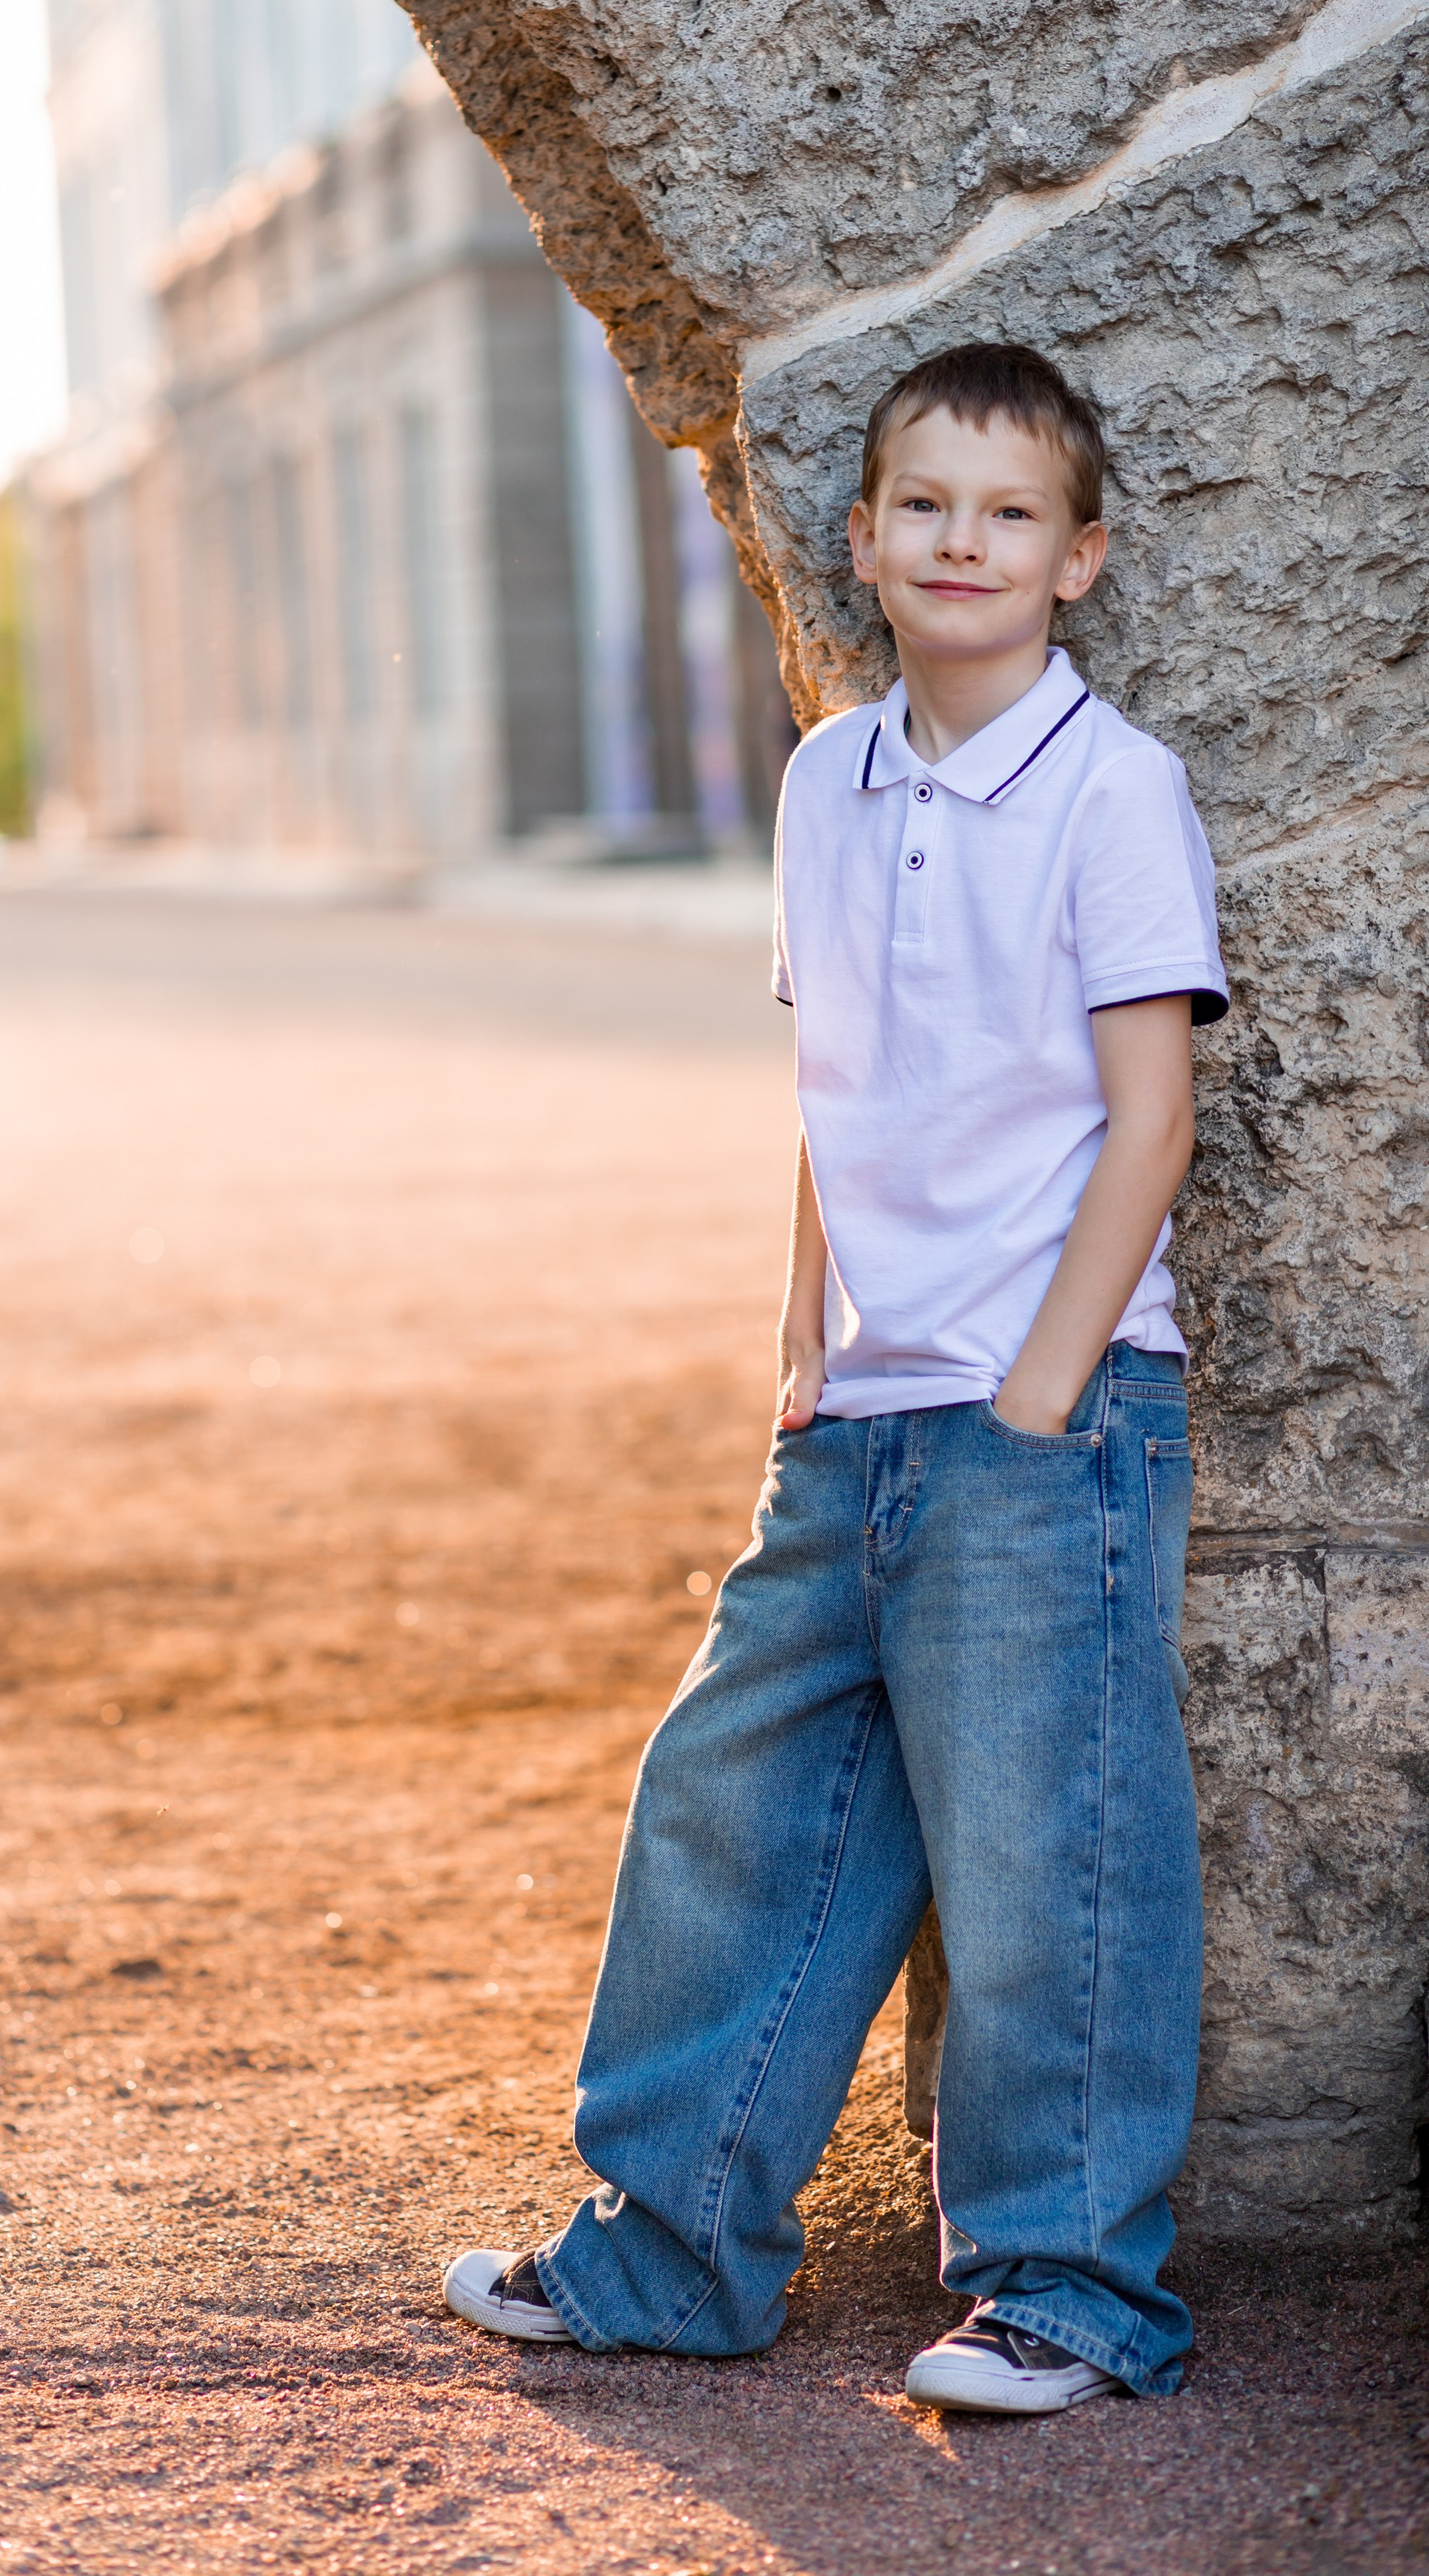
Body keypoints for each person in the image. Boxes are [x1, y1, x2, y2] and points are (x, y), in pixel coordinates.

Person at [443, 339, 1228, 2415]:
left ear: (1081, 557)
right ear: (863, 541)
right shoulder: (823, 782)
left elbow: (1149, 1118)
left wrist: (1046, 1396)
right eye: (926, 506)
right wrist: (801, 1360)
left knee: (1049, 1847)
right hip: (856, 1420)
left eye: (1012, 512)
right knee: (737, 1801)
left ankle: (1074, 2291)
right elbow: (834, 1091)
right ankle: (677, 2245)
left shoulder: (1110, 788)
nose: (963, 541)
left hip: (1048, 1418)